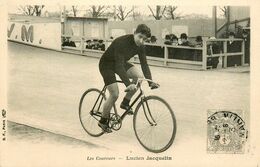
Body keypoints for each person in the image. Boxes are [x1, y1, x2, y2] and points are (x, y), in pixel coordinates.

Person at [98, 24, 159, 132]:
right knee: (114, 94)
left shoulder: (141, 46)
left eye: (144, 39)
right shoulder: (122, 42)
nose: (141, 41)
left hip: (120, 63)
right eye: (140, 37)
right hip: (107, 65)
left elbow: (144, 64)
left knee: (139, 77)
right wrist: (128, 84)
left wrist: (150, 82)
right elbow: (119, 66)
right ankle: (103, 121)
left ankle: (125, 102)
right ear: (134, 33)